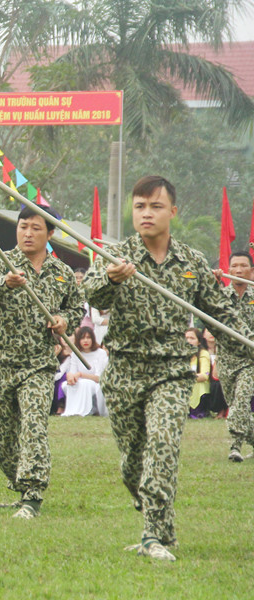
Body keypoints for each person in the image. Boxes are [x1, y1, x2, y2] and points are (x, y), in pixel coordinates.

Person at [81, 175, 254, 562]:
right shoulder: (117, 255)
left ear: (172, 211)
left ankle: (152, 536)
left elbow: (221, 313)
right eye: (140, 206)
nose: (146, 213)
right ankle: (162, 529)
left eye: (155, 206)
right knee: (133, 464)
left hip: (172, 372)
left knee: (162, 447)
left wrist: (247, 342)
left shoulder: (191, 262)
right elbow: (91, 293)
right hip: (124, 371)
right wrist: (110, 278)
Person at [0, 206, 84, 519]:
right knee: (1, 444)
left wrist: (64, 321)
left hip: (37, 366)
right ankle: (21, 487)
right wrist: (4, 284)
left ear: (50, 234)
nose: (28, 233)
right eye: (23, 227)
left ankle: (33, 495)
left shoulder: (62, 272)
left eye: (36, 228)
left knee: (34, 428)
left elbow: (76, 309)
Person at [212, 251, 254, 462]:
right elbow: (209, 316)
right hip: (226, 361)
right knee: (237, 407)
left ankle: (235, 446)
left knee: (241, 402)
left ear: (251, 271)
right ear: (228, 270)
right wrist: (213, 284)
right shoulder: (221, 295)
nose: (238, 270)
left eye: (243, 266)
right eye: (234, 266)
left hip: (250, 361)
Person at [60, 326, 109, 417]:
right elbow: (72, 371)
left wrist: (81, 374)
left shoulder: (100, 353)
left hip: (95, 382)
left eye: (88, 338)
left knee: (85, 384)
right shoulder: (76, 354)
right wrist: (70, 376)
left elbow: (99, 378)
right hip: (79, 380)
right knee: (66, 385)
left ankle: (87, 410)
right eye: (82, 338)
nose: (85, 341)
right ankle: (73, 409)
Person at [185, 327, 212, 418]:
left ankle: (196, 412)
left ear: (199, 342)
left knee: (197, 384)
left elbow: (204, 376)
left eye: (192, 338)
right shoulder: (180, 355)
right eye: (186, 338)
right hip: (184, 383)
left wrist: (186, 377)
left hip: (199, 385)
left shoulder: (203, 353)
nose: (189, 341)